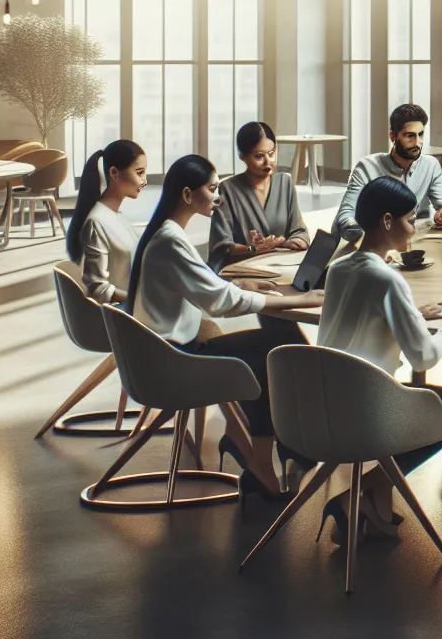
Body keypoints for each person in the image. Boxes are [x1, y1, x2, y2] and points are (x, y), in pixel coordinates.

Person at [127, 155, 325, 500]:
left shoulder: (164, 234)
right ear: (188, 195)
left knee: (274, 345)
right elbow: (221, 302)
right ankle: (267, 456)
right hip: (175, 361)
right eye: (213, 189)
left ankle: (264, 443)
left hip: (164, 353)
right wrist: (298, 301)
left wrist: (247, 287)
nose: (218, 198)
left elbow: (203, 286)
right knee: (274, 352)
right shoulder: (171, 241)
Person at [312, 177, 442, 544]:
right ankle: (356, 495)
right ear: (387, 221)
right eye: (410, 219)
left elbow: (359, 319)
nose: (415, 228)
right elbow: (423, 354)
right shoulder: (388, 280)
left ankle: (372, 503)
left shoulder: (339, 269)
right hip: (366, 408)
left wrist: (411, 314)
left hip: (320, 402)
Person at [334, 103, 442, 240]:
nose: (417, 143)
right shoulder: (366, 167)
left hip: (413, 241)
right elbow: (346, 214)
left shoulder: (430, 165)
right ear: (393, 136)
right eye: (409, 136)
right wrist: (359, 232)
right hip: (375, 243)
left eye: (420, 134)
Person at [208, 121, 310, 273]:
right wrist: (252, 248)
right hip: (244, 268)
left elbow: (299, 230)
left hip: (282, 265)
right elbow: (222, 247)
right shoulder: (228, 189)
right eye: (259, 156)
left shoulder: (285, 182)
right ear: (243, 156)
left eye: (272, 153)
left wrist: (293, 242)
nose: (268, 162)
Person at [65, 139, 145, 305]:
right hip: (123, 316)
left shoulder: (117, 216)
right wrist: (140, 301)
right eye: (139, 173)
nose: (144, 180)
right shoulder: (96, 222)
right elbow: (97, 288)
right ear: (114, 173)